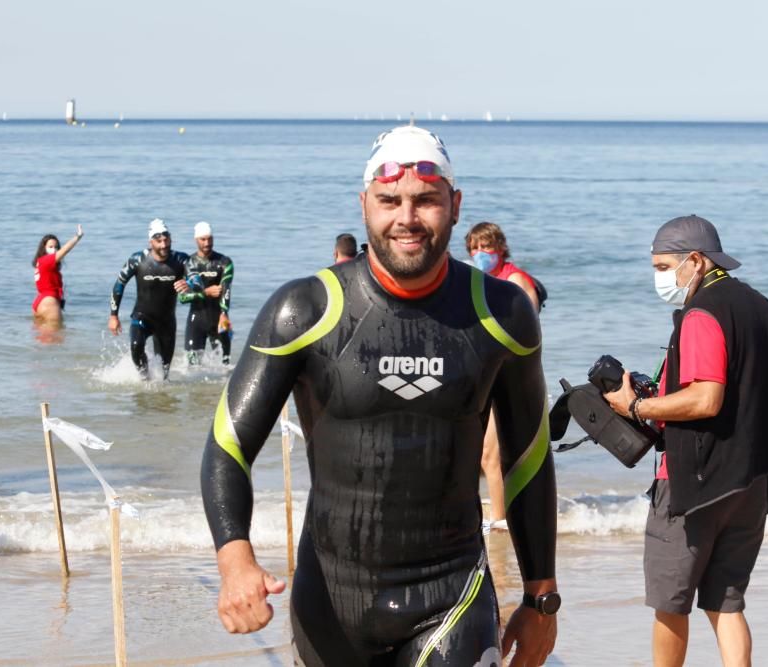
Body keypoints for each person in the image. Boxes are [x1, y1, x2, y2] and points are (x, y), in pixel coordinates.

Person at [201, 125, 558, 666]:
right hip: (332, 601)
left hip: (452, 593)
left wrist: (541, 597)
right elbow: (228, 445)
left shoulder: (503, 314)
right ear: (364, 204)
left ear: (455, 206)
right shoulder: (304, 310)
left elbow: (529, 458)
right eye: (389, 200)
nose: (407, 219)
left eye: (426, 201)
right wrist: (235, 560)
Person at [603, 215, 768, 667]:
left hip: (695, 482)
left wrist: (634, 407)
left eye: (662, 266)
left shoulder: (702, 312)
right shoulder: (764, 307)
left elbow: (706, 399)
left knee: (670, 603)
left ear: (695, 261)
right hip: (752, 480)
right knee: (726, 602)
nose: (659, 277)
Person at [465, 221, 541, 531]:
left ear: (500, 249)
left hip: (510, 379)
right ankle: (496, 515)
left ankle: (500, 521)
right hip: (480, 377)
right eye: (475, 248)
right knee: (475, 451)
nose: (481, 253)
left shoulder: (517, 282)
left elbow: (529, 336)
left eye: (487, 247)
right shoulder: (477, 283)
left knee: (489, 454)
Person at [108, 219, 190, 380]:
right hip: (142, 316)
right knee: (136, 347)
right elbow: (119, 285)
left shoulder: (181, 260)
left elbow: (196, 278)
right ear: (151, 241)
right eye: (159, 241)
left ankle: (157, 400)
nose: (164, 245)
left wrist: (189, 284)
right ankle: (144, 380)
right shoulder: (137, 259)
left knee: (163, 375)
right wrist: (113, 315)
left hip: (166, 322)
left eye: (166, 240)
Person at [180, 221, 234, 365]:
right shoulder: (188, 263)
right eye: (203, 239)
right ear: (195, 240)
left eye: (210, 238)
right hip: (196, 320)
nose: (207, 243)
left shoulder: (224, 262)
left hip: (219, 318)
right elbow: (182, 298)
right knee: (192, 367)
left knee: (225, 365)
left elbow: (226, 289)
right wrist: (206, 293)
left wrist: (224, 313)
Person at [32, 225, 84, 325]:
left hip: (39, 303)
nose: (54, 249)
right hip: (49, 302)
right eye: (50, 247)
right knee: (57, 338)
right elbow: (65, 250)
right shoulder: (47, 260)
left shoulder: (40, 263)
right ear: (43, 249)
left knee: (42, 339)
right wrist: (77, 237)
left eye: (56, 247)